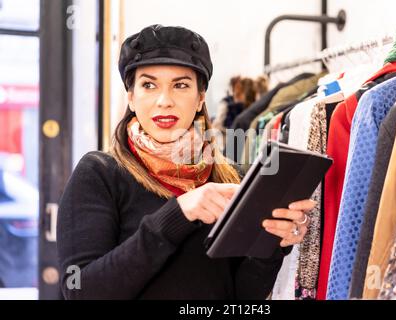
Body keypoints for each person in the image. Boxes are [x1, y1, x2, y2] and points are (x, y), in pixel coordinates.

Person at [56, 24, 314, 300]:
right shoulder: (100, 174)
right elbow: (80, 291)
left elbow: (241, 297)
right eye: (148, 85)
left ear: (200, 96)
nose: (164, 101)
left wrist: (271, 246)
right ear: (131, 97)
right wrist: (178, 214)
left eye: (180, 85)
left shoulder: (233, 181)